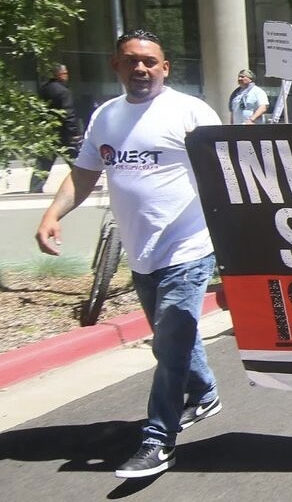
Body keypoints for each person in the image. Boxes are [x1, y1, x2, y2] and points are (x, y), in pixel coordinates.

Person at [34, 30, 223, 478]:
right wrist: (52, 214)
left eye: (150, 61)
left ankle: (158, 439)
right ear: (116, 66)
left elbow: (225, 174)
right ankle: (205, 393)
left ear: (165, 68)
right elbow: (83, 174)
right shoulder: (106, 117)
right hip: (141, 252)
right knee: (172, 336)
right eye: (131, 60)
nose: (141, 68)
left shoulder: (190, 112)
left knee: (171, 341)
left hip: (189, 247)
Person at [29, 64, 81, 193]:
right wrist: (74, 132)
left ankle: (35, 186)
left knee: (44, 161)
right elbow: (68, 113)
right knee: (75, 159)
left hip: (48, 131)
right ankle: (84, 182)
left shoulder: (43, 89)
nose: (67, 76)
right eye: (65, 73)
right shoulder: (64, 92)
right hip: (63, 133)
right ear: (59, 75)